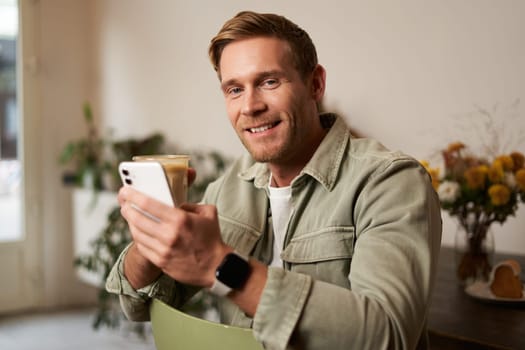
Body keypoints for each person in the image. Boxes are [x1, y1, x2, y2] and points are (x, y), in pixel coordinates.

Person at [106, 10, 442, 350]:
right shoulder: (227, 188)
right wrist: (151, 239)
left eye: (269, 82)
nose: (250, 106)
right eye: (234, 89)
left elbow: (391, 337)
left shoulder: (391, 181)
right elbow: (136, 305)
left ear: (316, 84)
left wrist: (220, 266)